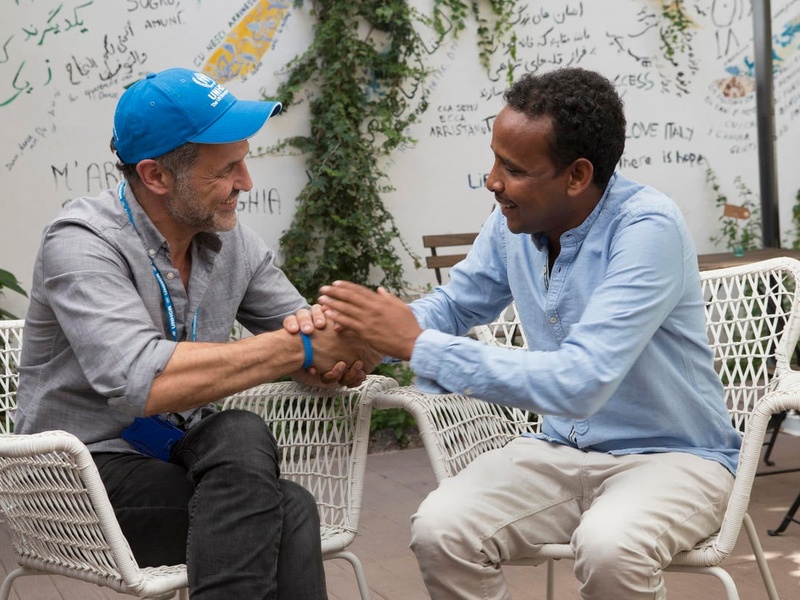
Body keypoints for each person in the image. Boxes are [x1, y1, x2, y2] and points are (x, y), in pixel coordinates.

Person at [317, 67, 742, 599]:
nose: (492, 181)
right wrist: (364, 339)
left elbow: (581, 381)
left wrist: (415, 344)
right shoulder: (513, 222)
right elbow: (455, 303)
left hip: (676, 459)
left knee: (612, 547)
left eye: (514, 168)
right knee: (441, 529)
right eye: (495, 159)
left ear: (576, 176)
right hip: (559, 451)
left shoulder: (646, 227)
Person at [16, 67, 378, 600]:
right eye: (227, 169)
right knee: (290, 509)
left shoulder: (233, 242)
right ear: (156, 176)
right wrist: (297, 346)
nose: (246, 183)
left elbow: (308, 336)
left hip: (179, 456)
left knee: (240, 433)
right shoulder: (82, 242)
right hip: (74, 479)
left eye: (244, 161)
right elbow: (145, 383)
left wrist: (356, 342)